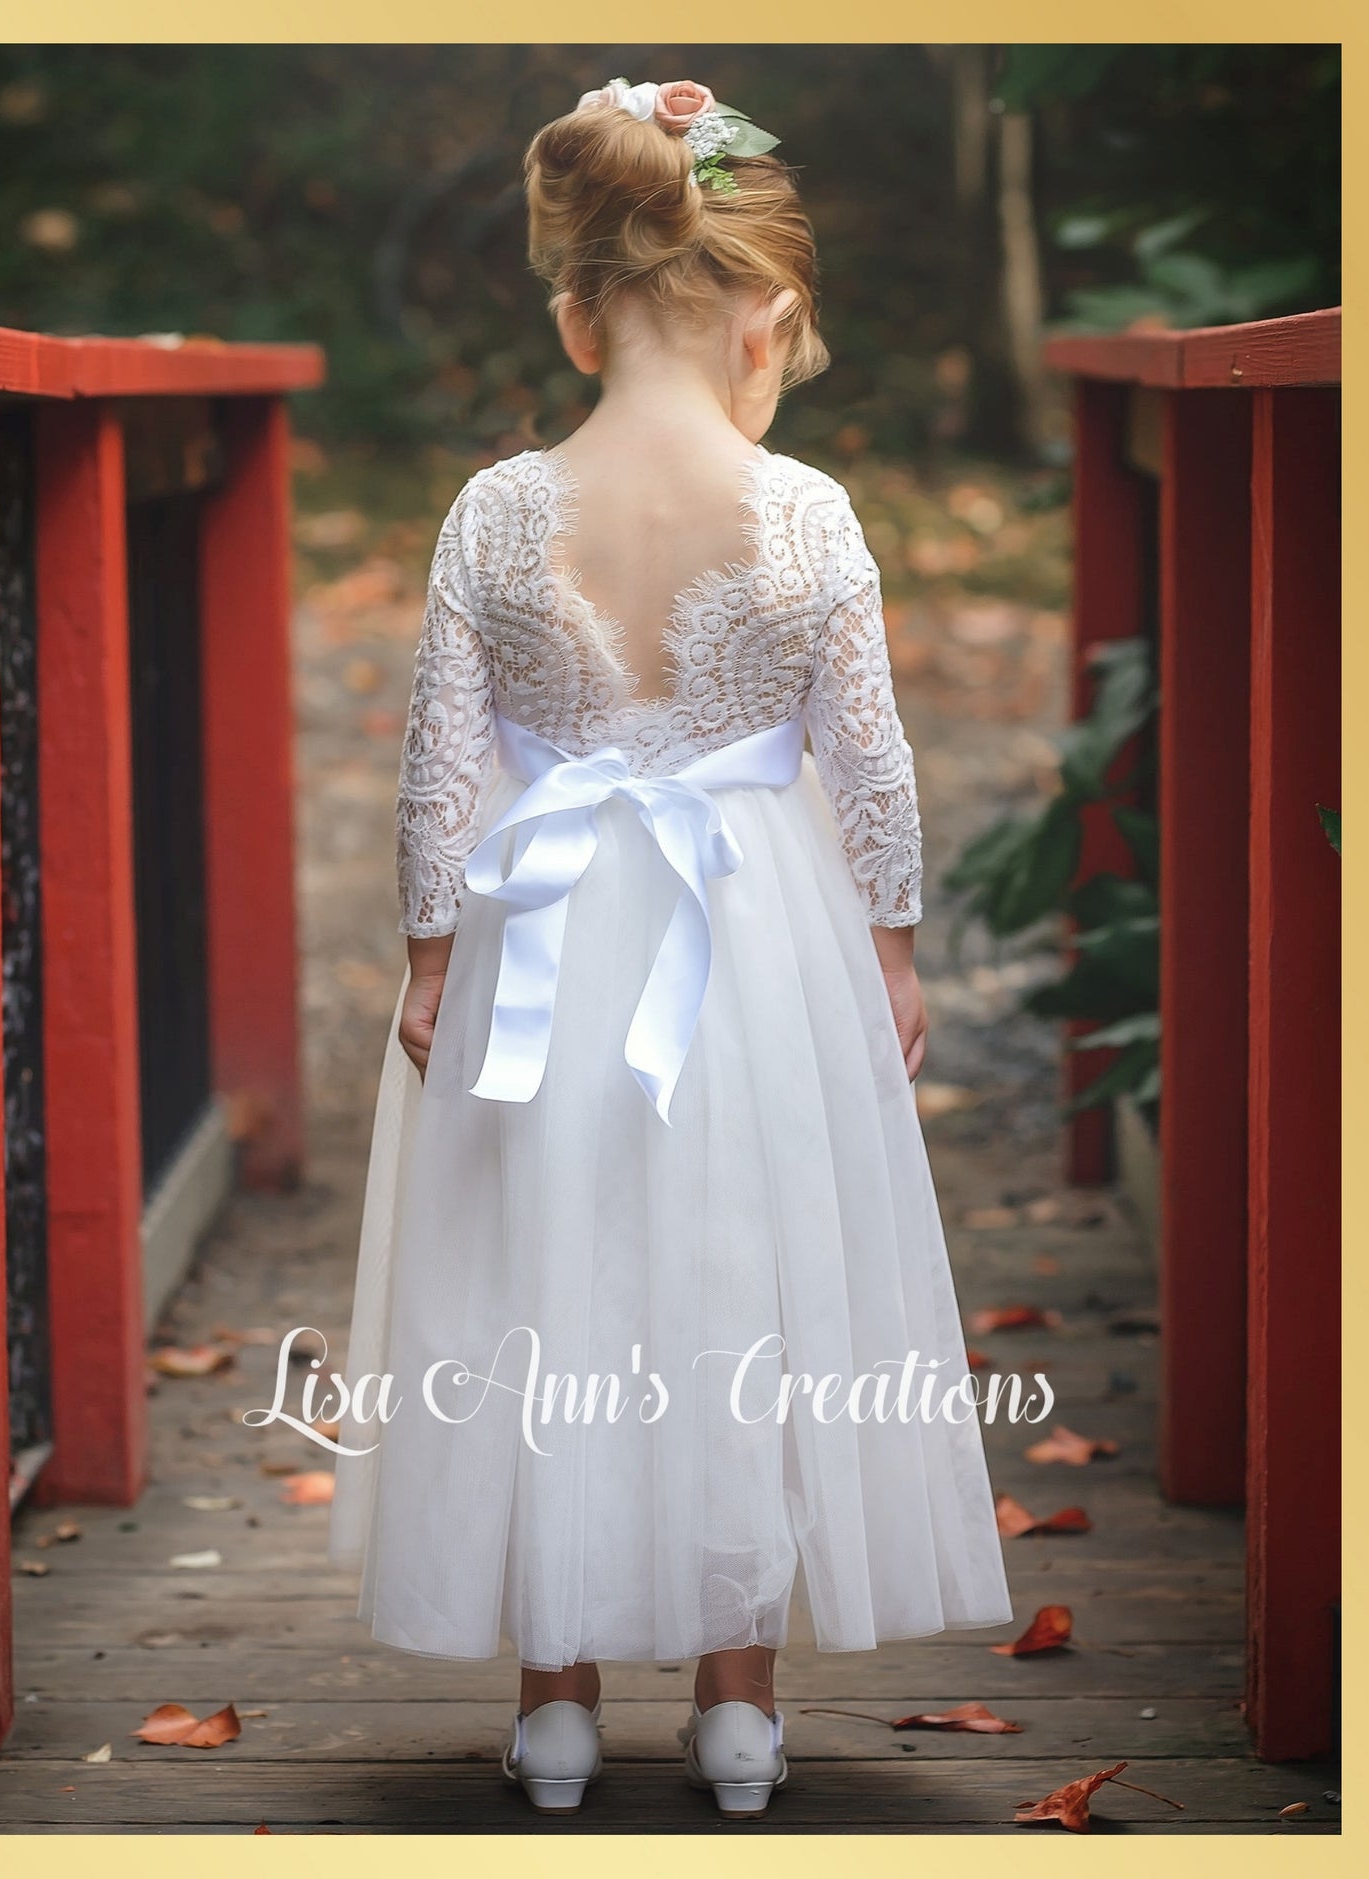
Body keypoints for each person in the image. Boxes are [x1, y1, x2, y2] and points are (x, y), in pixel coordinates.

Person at [329, 74, 1012, 1822]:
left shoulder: (495, 511)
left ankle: (554, 1706)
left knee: (548, 1271)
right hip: (752, 931)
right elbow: (868, 756)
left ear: (574, 311)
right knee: (743, 1266)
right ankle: (736, 1707)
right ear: (764, 311)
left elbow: (439, 761)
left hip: (543, 924)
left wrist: (426, 958)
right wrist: (891, 943)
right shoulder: (806, 513)